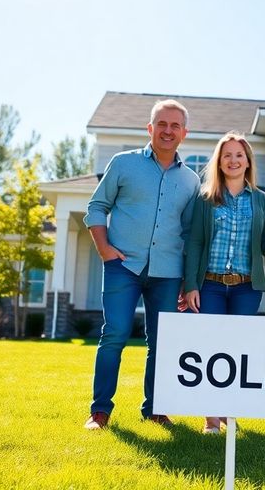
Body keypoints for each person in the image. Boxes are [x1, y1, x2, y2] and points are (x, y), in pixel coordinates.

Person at [82, 99, 200, 430]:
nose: (167, 130)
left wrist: (186, 280)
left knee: (161, 342)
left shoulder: (191, 181)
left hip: (167, 272)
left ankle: (156, 409)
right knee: (115, 334)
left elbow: (190, 232)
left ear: (184, 133)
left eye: (175, 125)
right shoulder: (123, 164)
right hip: (123, 266)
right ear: (150, 129)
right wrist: (104, 248)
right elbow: (96, 206)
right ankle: (100, 412)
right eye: (161, 124)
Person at [182, 130, 265, 434]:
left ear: (248, 161)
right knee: (211, 348)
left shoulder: (262, 201)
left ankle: (230, 411)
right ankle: (211, 419)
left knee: (236, 351)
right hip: (210, 285)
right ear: (219, 161)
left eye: (239, 155)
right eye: (227, 155)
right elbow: (195, 243)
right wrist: (191, 285)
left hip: (245, 287)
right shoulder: (205, 198)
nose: (233, 160)